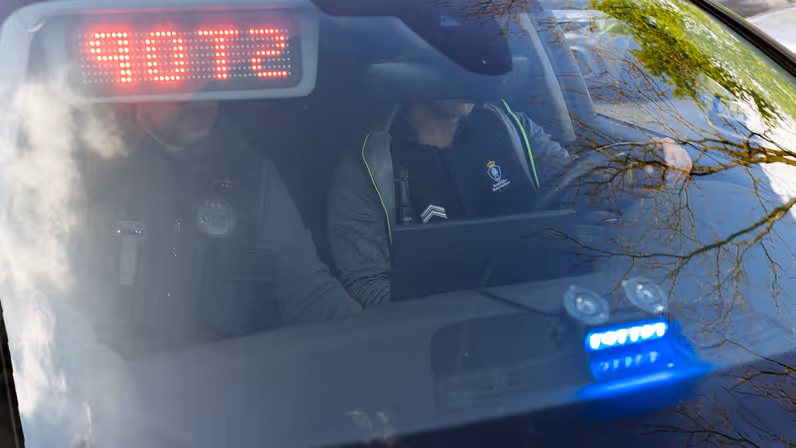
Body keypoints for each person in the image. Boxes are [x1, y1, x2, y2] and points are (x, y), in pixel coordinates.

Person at [327, 99, 693, 308]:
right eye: (454, 54)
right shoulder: (368, 163)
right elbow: (367, 287)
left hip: (546, 309)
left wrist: (634, 176)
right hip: (443, 341)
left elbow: (579, 187)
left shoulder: (510, 126)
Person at [74, 100, 361, 357]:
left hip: (235, 383)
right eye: (180, 88)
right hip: (130, 386)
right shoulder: (97, 183)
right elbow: (70, 311)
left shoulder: (250, 176)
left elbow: (308, 292)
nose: (199, 101)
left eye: (208, 83)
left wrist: (362, 339)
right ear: (138, 96)